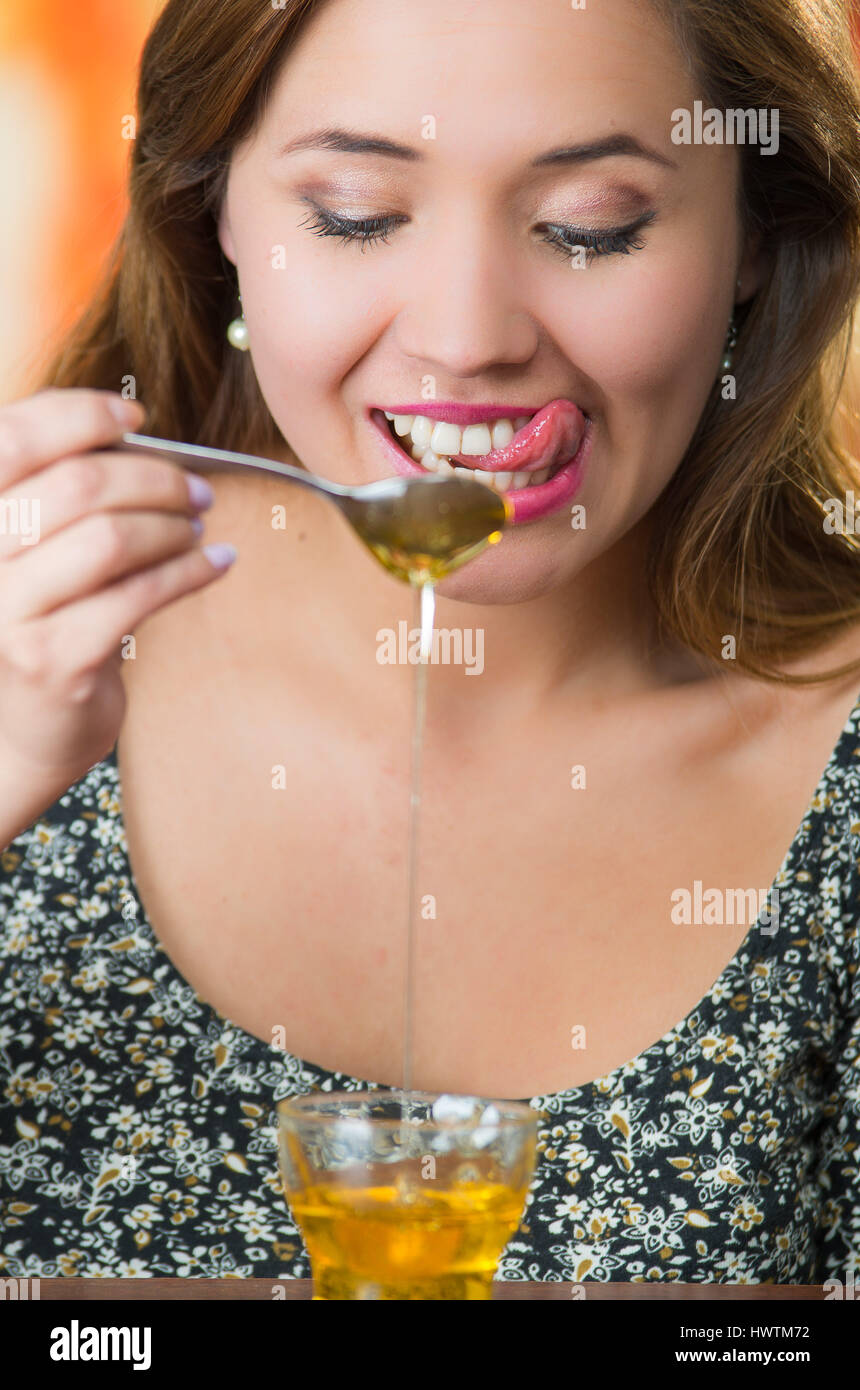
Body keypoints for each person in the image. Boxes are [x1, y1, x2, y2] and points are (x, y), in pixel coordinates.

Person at [1, 0, 859, 1285]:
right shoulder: (33, 657)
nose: (466, 339)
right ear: (213, 212)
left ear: (754, 229)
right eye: (354, 211)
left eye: (590, 226)